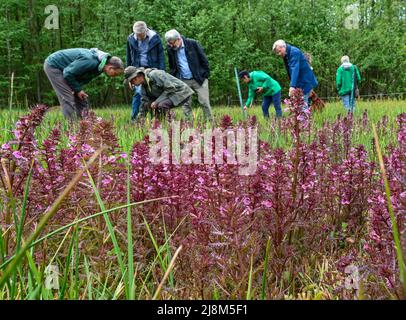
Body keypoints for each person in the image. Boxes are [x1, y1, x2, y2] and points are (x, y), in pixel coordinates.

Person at [44, 48, 123, 121]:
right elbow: (68, 73)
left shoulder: (100, 68)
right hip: (54, 66)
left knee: (82, 98)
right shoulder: (90, 61)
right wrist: (77, 89)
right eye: (115, 74)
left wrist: (77, 90)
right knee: (67, 98)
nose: (114, 76)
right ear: (110, 67)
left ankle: (85, 124)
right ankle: (71, 128)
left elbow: (81, 77)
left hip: (67, 72)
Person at [164, 29, 212, 121]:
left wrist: (205, 74)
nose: (171, 45)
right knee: (186, 104)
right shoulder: (170, 48)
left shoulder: (193, 44)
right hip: (183, 80)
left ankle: (209, 123)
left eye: (172, 43)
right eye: (169, 43)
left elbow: (204, 60)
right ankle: (189, 124)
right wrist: (174, 79)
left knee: (204, 101)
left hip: (199, 78)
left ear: (178, 39)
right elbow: (172, 65)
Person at [126, 21, 165, 120]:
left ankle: (155, 119)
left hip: (153, 69)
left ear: (146, 31)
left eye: (141, 34)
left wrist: (162, 72)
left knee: (153, 94)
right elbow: (128, 57)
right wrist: (129, 77)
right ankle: (135, 119)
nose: (138, 36)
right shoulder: (130, 39)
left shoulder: (155, 38)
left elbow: (161, 56)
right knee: (139, 93)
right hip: (137, 70)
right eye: (137, 34)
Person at [123, 67, 193, 119]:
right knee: (148, 104)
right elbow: (144, 102)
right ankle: (159, 123)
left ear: (137, 77)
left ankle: (172, 123)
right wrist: (140, 119)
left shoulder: (155, 74)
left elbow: (170, 88)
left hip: (181, 92)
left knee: (161, 105)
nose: (132, 84)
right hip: (169, 95)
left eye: (132, 82)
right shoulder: (143, 86)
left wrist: (157, 101)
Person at [272, 40, 318, 109]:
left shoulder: (294, 52)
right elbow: (289, 70)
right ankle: (306, 117)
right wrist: (293, 84)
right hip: (299, 82)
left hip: (305, 81)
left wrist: (292, 86)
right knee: (301, 104)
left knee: (303, 105)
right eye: (277, 52)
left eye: (279, 51)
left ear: (283, 47)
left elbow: (294, 68)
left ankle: (305, 119)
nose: (279, 54)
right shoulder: (286, 55)